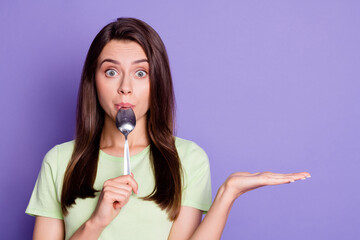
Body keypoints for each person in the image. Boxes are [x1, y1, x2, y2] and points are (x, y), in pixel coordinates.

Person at [26, 17, 310, 240]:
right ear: (93, 81)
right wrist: (96, 222)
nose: (125, 87)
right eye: (111, 71)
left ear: (157, 82)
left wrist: (227, 193)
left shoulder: (187, 159)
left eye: (141, 73)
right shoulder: (60, 161)